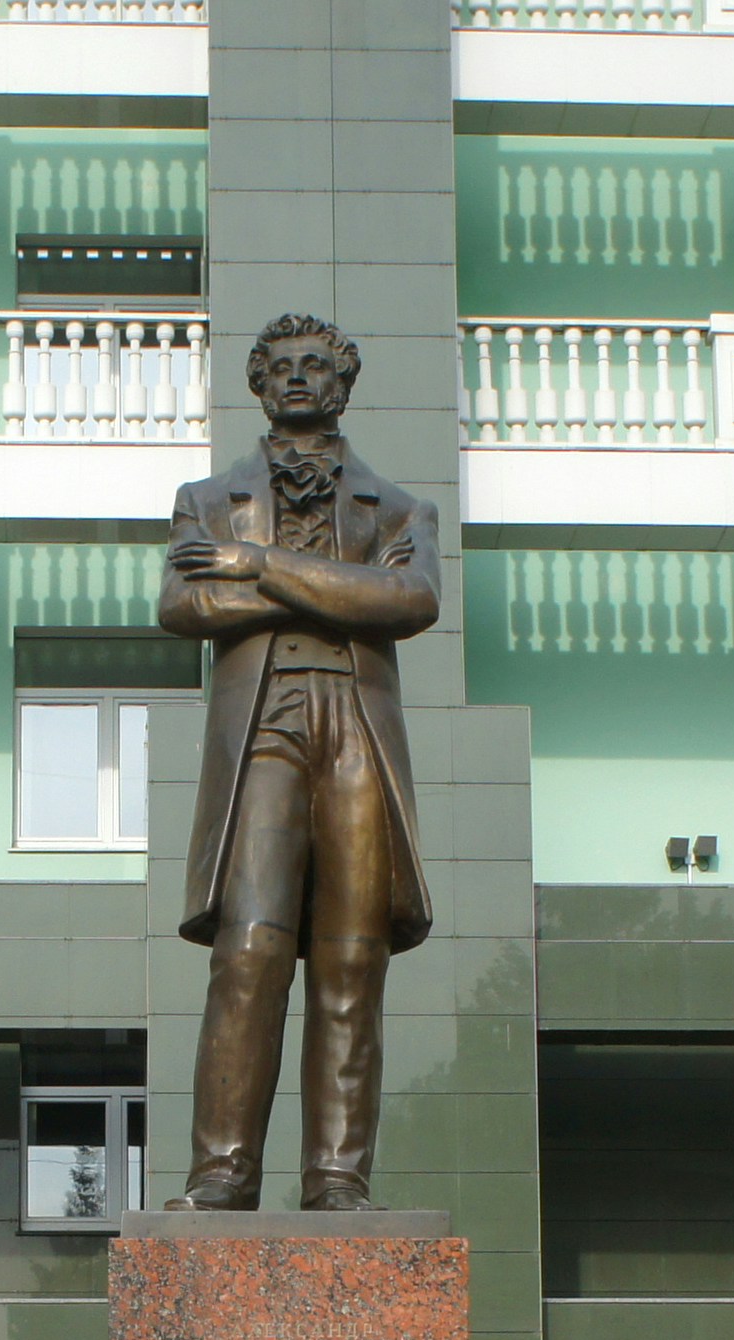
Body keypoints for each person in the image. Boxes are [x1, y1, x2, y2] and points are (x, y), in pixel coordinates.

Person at [156, 312, 440, 1213]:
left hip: (355, 723)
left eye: (315, 365)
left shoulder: (398, 508)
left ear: (343, 383)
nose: (297, 377)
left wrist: (254, 567)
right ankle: (222, 1171)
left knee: (351, 961)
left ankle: (336, 1179)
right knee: (249, 951)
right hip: (264, 727)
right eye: (279, 365)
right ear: (256, 381)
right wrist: (321, 590)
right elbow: (184, 604)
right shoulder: (205, 498)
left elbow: (408, 599)